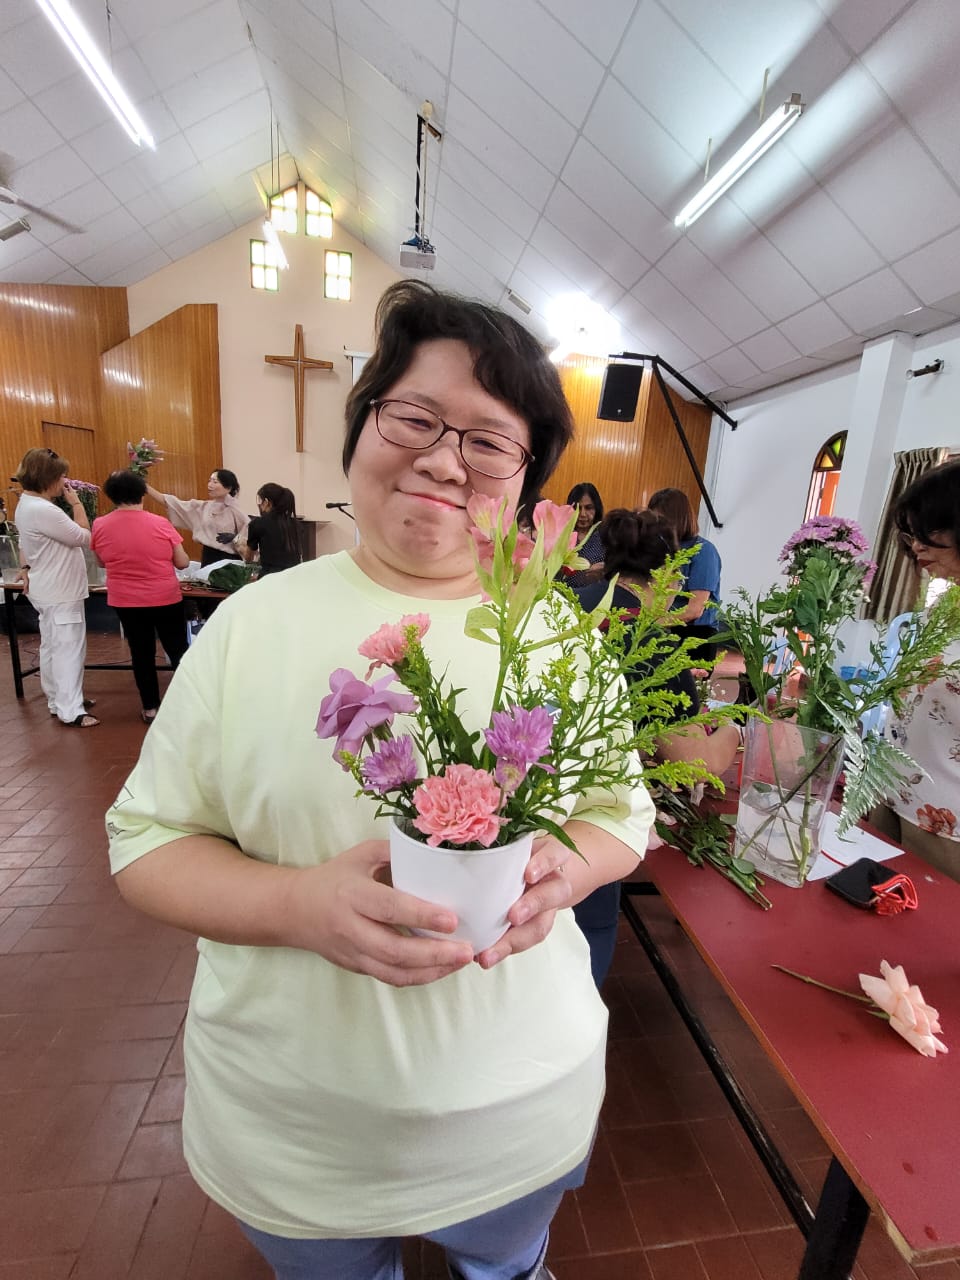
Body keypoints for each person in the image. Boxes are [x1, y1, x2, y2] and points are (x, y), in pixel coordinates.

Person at [105, 281, 653, 1280]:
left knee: (508, 1267)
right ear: (360, 426)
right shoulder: (251, 625)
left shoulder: (556, 635)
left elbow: (622, 812)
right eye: (415, 417)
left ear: (526, 482)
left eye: (489, 441)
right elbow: (146, 842)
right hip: (295, 1125)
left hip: (516, 1108)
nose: (444, 458)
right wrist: (298, 905)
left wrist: (560, 875)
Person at [572, 508, 740, 985]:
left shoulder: (564, 602)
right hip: (587, 826)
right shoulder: (648, 643)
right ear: (671, 574)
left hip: (522, 806)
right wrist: (735, 728)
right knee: (584, 944)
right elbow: (696, 765)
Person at [870, 459, 960, 880]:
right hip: (891, 791)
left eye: (928, 533)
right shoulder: (941, 607)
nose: (917, 548)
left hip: (946, 819)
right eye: (911, 536)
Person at [90, 470, 190, 723]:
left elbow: (101, 562)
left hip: (126, 600)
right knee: (178, 650)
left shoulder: (100, 524)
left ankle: (150, 708)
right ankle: (189, 704)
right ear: (142, 494)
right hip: (165, 597)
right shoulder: (160, 523)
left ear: (112, 495)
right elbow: (182, 562)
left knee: (141, 653)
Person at [12, 447, 98, 727]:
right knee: (69, 649)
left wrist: (25, 567)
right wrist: (77, 505)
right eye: (61, 476)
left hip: (47, 587)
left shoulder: (26, 503)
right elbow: (83, 537)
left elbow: (25, 542)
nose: (65, 482)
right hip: (61, 590)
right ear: (47, 478)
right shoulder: (45, 510)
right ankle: (71, 710)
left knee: (52, 646)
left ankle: (57, 699)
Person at [648, 487, 722, 660]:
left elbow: (694, 610)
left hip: (696, 635)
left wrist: (653, 622)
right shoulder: (661, 549)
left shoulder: (703, 551)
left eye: (660, 520)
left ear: (677, 519)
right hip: (664, 630)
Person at [145, 468, 248, 567]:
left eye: (215, 482)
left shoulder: (235, 509)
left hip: (229, 560)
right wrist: (146, 487)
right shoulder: (203, 507)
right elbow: (173, 503)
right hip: (209, 556)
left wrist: (235, 538)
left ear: (228, 488)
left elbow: (250, 535)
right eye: (209, 481)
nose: (210, 485)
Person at [240, 483, 302, 576]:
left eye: (260, 501)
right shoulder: (296, 524)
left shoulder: (258, 523)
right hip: (294, 576)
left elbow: (248, 558)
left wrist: (238, 543)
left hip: (270, 577)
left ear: (266, 502)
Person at [563, 482, 605, 587]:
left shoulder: (605, 536)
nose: (582, 514)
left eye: (588, 508)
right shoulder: (562, 535)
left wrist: (605, 569)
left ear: (597, 509)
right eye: (577, 508)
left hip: (593, 593)